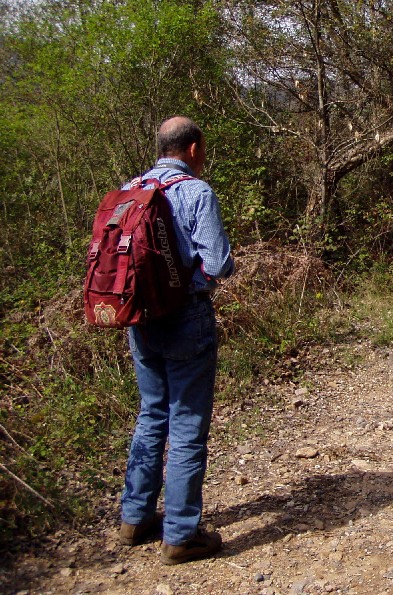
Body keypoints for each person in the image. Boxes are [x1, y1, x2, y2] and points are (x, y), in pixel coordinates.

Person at [117, 116, 234, 565]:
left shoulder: (131, 189)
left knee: (152, 415)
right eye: (203, 149)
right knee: (187, 425)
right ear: (192, 149)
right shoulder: (196, 192)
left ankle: (135, 517)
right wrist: (197, 280)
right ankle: (181, 535)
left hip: (140, 320)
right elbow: (218, 264)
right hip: (187, 317)